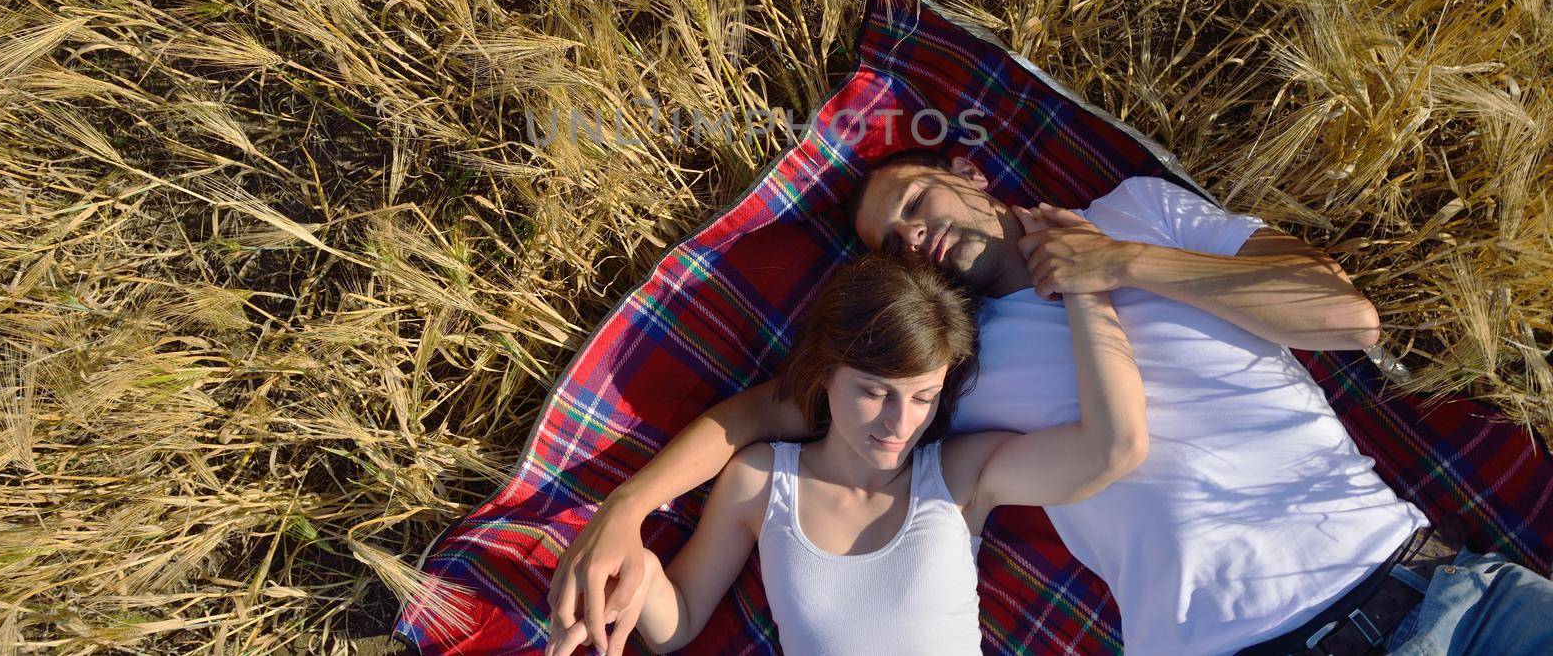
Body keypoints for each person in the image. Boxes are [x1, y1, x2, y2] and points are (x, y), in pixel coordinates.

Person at [551, 151, 1553, 655]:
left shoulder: (1141, 209)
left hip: (1440, 593)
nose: (909, 238)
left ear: (968, 176)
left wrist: (1120, 263)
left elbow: (1345, 319)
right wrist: (622, 513)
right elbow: (761, 416)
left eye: (912, 203)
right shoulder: (946, 369)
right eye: (885, 244)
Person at [546, 237, 1147, 656]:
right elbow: (675, 626)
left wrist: (1087, 288)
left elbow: (1113, 449)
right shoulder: (761, 481)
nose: (898, 423)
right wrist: (636, 574)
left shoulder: (962, 475)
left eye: (923, 397)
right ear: (827, 373)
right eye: (874, 392)